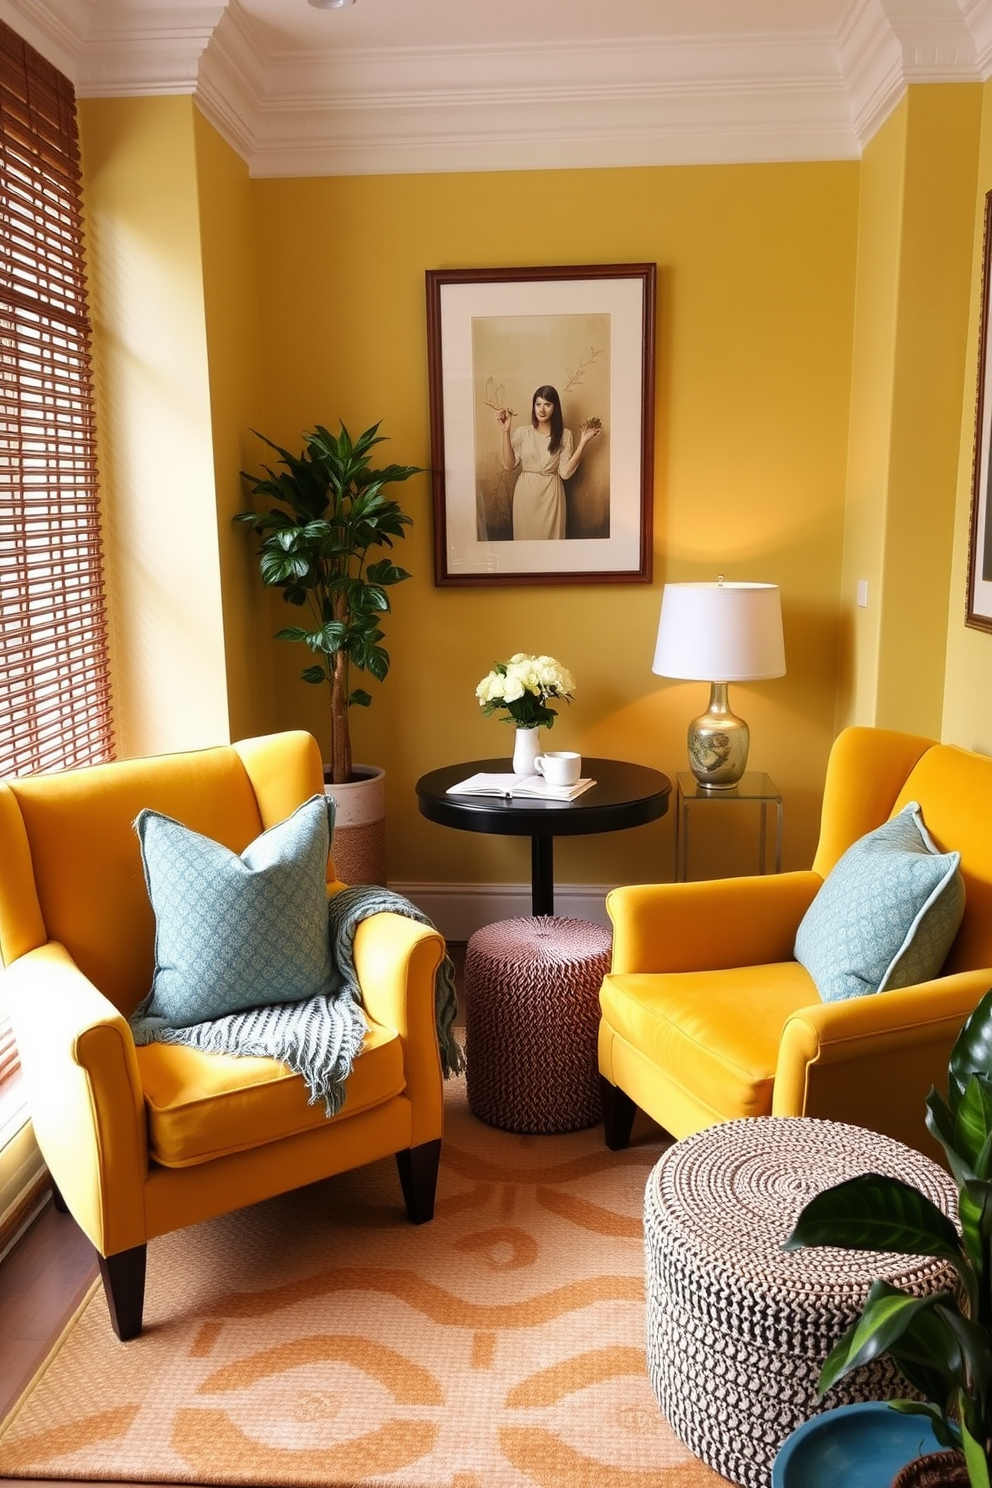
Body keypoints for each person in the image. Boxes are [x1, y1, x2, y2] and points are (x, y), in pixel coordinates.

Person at [496, 385, 601, 540]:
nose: (542, 410)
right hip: (526, 495)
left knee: (553, 546)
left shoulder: (565, 435)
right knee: (525, 544)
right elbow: (509, 465)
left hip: (551, 496)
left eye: (547, 405)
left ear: (555, 407)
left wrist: (583, 443)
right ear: (533, 406)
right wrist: (505, 432)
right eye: (538, 404)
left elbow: (565, 473)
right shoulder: (522, 433)